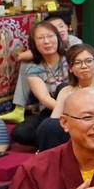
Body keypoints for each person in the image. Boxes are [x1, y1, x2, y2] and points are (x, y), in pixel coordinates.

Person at [35, 43, 94, 151]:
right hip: (74, 130)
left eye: (88, 61)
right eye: (78, 63)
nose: (84, 66)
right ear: (70, 68)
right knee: (47, 125)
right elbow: (55, 119)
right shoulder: (65, 91)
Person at [11, 19, 70, 147]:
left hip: (78, 107)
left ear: (58, 38)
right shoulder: (33, 68)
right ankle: (59, 138)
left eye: (50, 36)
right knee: (20, 132)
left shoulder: (71, 58)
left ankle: (54, 139)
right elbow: (44, 98)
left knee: (63, 88)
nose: (46, 41)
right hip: (51, 110)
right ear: (34, 44)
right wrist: (65, 113)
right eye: (40, 38)